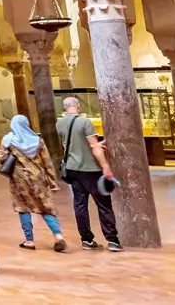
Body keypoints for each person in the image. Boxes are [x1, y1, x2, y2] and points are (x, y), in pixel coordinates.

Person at [57, 97, 121, 251]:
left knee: (80, 204)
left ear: (65, 108)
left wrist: (95, 144)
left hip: (72, 168)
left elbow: (73, 145)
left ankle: (86, 239)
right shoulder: (85, 122)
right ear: (77, 106)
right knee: (103, 204)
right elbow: (94, 148)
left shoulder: (59, 124)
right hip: (90, 169)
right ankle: (112, 240)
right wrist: (105, 166)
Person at [0, 114, 65, 252]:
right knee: (46, 207)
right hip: (38, 178)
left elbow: (2, 158)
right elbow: (47, 163)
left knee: (23, 208)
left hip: (19, 179)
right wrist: (52, 181)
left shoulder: (8, 140)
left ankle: (29, 240)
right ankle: (58, 236)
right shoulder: (37, 140)